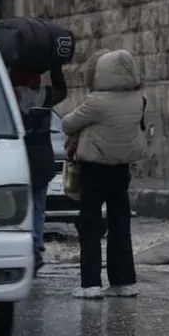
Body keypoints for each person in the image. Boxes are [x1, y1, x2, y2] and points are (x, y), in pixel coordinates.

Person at [61, 49, 147, 299]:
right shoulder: (139, 99)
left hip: (95, 170)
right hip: (121, 169)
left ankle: (90, 283)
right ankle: (124, 281)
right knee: (120, 224)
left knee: (90, 224)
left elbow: (67, 124)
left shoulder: (96, 102)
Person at [12, 66, 68, 269]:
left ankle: (26, 246)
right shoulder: (46, 96)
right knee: (38, 207)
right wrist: (56, 68)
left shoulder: (10, 97)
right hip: (43, 159)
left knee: (20, 206)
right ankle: (36, 246)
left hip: (22, 159)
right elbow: (62, 90)